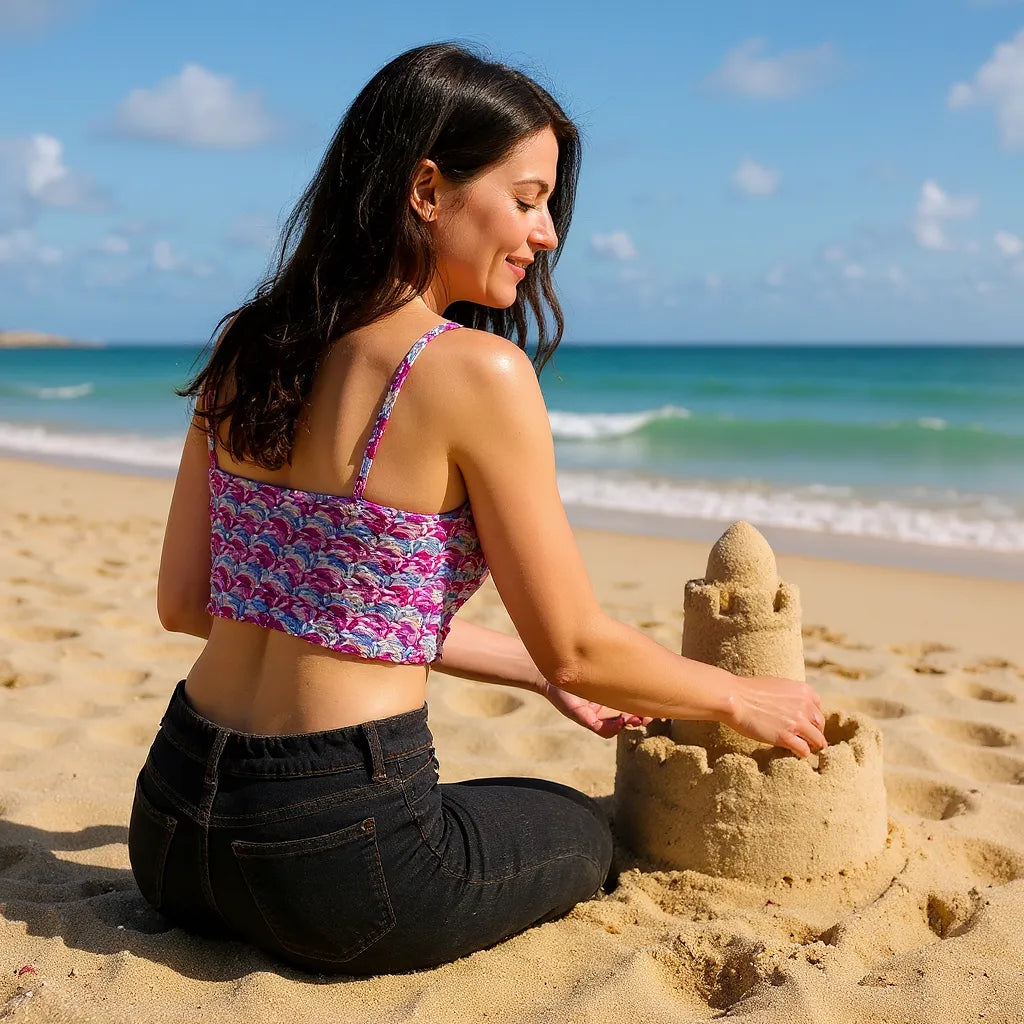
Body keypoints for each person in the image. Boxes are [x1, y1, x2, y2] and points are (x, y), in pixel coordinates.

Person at [128, 40, 827, 977]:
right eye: (529, 199)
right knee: (576, 829)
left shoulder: (248, 346)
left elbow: (195, 604)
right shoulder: (469, 369)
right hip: (338, 863)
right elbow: (577, 640)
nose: (546, 236)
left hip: (172, 828)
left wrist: (536, 675)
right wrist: (739, 696)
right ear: (426, 190)